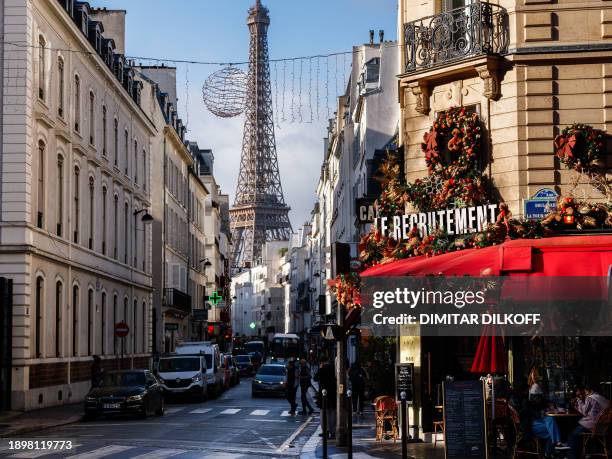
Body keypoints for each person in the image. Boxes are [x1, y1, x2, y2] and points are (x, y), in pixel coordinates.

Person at [509, 383, 564, 458]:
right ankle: (555, 445)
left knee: (552, 428)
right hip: (529, 427)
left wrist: (547, 408)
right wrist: (543, 412)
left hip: (535, 424)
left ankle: (549, 452)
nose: (539, 398)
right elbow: (534, 413)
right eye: (538, 396)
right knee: (551, 422)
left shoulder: (533, 402)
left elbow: (539, 409)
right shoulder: (527, 403)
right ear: (534, 396)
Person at [568, 383, 610, 459]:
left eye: (586, 391)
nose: (585, 393)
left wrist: (579, 401)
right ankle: (586, 452)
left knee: (573, 435)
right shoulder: (602, 398)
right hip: (603, 427)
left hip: (593, 426)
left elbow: (584, 411)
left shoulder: (590, 398)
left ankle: (572, 457)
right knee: (578, 433)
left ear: (590, 391)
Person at [314, 355, 336, 439]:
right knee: (333, 412)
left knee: (324, 413)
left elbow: (315, 378)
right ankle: (333, 431)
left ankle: (326, 431)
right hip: (333, 392)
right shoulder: (333, 367)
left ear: (321, 362)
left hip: (324, 393)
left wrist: (320, 368)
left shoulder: (322, 368)